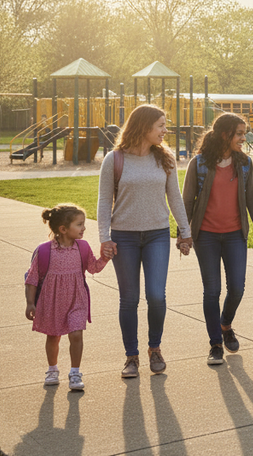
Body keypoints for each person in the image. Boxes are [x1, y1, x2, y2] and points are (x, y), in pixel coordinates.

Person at [98, 104, 192, 379]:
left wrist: (184, 232)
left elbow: (174, 197)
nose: (166, 131)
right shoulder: (114, 160)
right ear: (144, 127)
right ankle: (131, 357)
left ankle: (155, 349)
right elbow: (104, 202)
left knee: (155, 295)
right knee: (129, 299)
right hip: (123, 237)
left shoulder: (166, 158)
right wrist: (104, 238)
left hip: (157, 235)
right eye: (161, 126)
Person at [181, 112, 253, 366]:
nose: (243, 138)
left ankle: (225, 324)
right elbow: (186, 201)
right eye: (239, 134)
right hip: (206, 236)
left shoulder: (244, 164)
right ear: (224, 134)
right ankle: (215, 343)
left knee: (237, 288)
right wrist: (184, 234)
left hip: (234, 236)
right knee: (212, 290)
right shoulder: (199, 164)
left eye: (244, 133)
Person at [24, 204, 110, 390]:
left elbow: (93, 268)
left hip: (76, 300)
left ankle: (75, 372)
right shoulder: (45, 251)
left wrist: (105, 258)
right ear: (63, 229)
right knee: (53, 337)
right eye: (79, 224)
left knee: (76, 334)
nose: (84, 228)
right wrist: (30, 303)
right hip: (52, 301)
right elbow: (31, 279)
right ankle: (53, 369)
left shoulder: (83, 247)